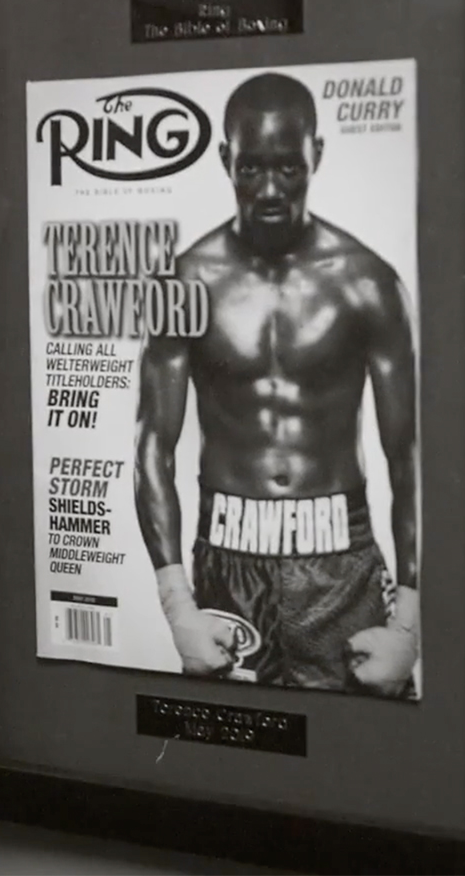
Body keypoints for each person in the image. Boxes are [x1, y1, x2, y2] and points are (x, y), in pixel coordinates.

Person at [134, 72, 419, 697]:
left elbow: (410, 454)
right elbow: (152, 445)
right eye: (251, 167)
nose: (268, 189)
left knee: (364, 763)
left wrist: (411, 624)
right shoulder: (183, 283)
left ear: (316, 154)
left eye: (288, 168)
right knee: (230, 756)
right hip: (225, 560)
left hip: (341, 563)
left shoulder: (368, 282)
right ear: (224, 159)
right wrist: (177, 606)